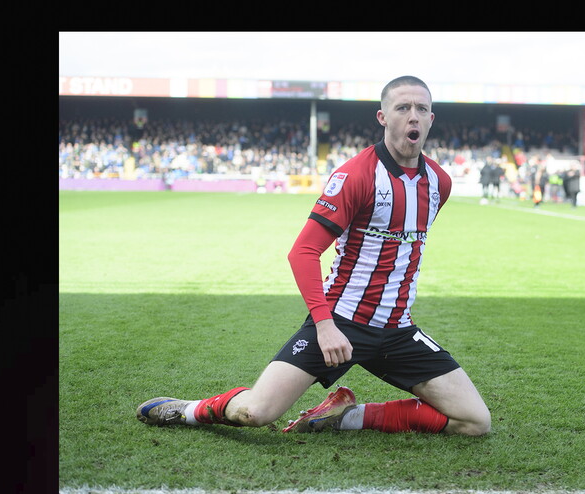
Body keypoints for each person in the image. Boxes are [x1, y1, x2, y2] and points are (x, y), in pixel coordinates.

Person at [136, 76, 492, 437]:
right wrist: (324, 325)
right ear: (383, 117)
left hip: (398, 329)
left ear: (431, 118)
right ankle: (187, 410)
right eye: (403, 107)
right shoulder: (356, 175)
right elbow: (303, 252)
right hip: (341, 322)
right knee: (256, 412)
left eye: (421, 109)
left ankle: (344, 416)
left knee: (475, 421)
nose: (413, 116)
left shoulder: (439, 183)